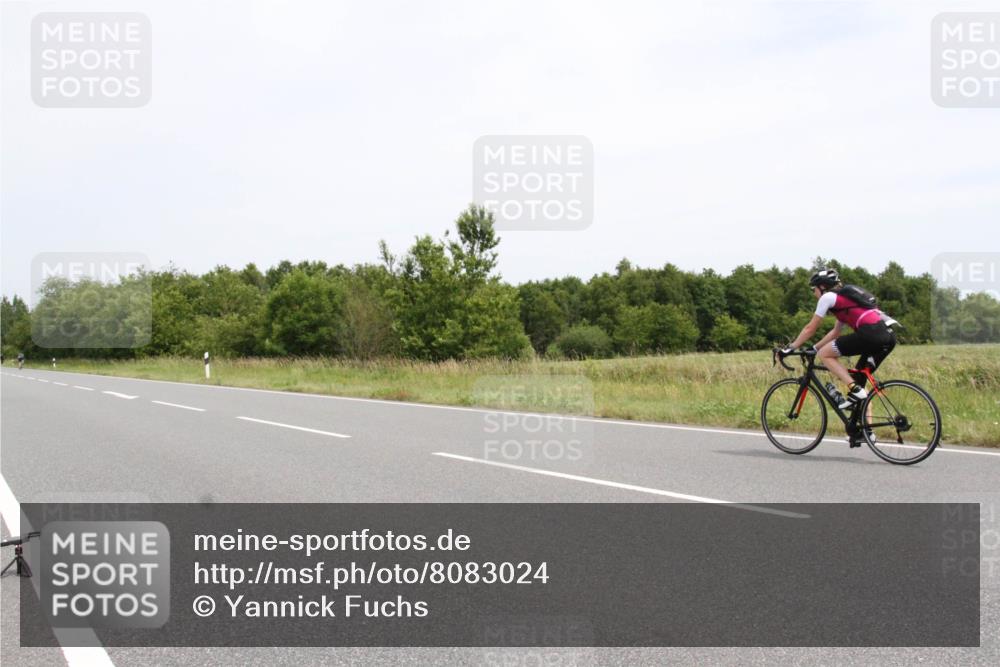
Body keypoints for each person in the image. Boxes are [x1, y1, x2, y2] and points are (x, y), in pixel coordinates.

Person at [782, 269, 899, 443]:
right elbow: (835, 332)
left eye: (813, 289)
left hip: (871, 334)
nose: (813, 293)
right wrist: (814, 347)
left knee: (826, 356)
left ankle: (854, 389)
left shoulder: (827, 298)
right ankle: (866, 432)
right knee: (860, 378)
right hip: (888, 337)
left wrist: (790, 348)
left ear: (822, 287)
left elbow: (810, 328)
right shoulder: (845, 301)